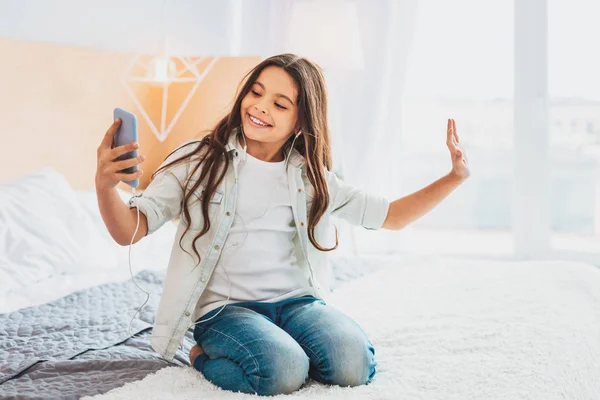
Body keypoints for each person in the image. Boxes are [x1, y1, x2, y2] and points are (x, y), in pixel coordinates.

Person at [95, 53, 470, 396]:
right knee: (283, 370)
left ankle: (287, 343)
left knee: (353, 365)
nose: (259, 107)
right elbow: (130, 229)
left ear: (300, 121)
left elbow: (391, 216)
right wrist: (105, 184)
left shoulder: (310, 176)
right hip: (227, 311)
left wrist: (453, 177)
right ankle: (199, 355)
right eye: (255, 93)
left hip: (297, 304)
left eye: (279, 103)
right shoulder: (197, 160)